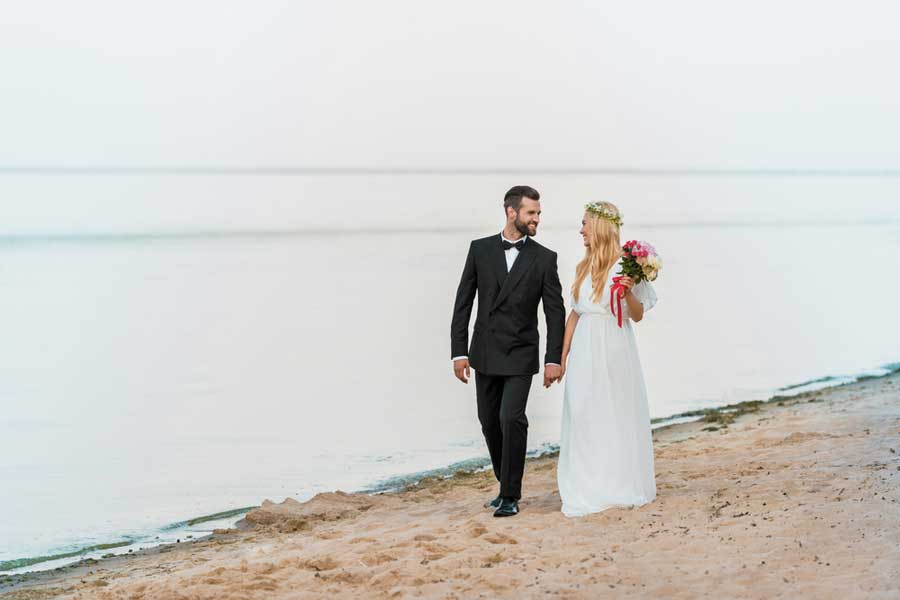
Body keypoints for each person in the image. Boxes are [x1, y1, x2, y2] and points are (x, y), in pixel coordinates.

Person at [451, 185, 566, 517]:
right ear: (511, 212)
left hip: (521, 352)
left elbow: (554, 312)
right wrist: (459, 352)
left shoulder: (544, 258)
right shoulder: (480, 250)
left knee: (510, 418)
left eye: (539, 213)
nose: (537, 219)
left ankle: (510, 494)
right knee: (489, 421)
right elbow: (463, 304)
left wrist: (553, 358)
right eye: (531, 213)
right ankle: (505, 485)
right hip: (484, 352)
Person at [556, 201, 658, 517]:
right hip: (585, 346)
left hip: (614, 345)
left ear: (599, 226)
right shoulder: (582, 267)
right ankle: (587, 482)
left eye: (585, 223)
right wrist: (560, 357)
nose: (581, 229)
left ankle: (617, 482)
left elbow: (637, 316)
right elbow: (574, 314)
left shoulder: (626, 266)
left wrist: (627, 291)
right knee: (584, 411)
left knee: (614, 411)